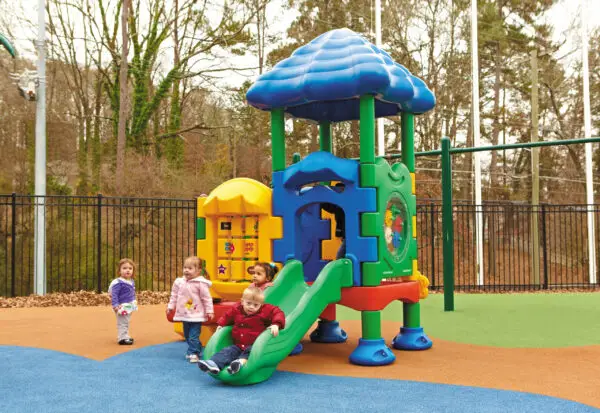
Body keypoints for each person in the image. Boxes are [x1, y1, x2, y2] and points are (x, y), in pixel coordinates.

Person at [197, 286, 285, 375]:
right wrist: (221, 324)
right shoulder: (237, 309)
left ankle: (239, 363)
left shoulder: (265, 310)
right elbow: (227, 316)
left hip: (255, 346)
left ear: (261, 305)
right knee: (227, 351)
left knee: (250, 353)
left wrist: (276, 324)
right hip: (238, 345)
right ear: (242, 301)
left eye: (255, 305)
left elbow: (278, 312)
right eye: (248, 303)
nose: (251, 307)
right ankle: (214, 363)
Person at [167, 256, 214, 363]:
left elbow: (206, 298)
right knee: (188, 336)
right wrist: (170, 306)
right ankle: (197, 349)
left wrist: (209, 310)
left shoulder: (201, 283)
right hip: (184, 314)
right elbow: (174, 295)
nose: (186, 270)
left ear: (198, 271)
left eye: (190, 268)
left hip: (196, 315)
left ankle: (193, 353)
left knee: (193, 336)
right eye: (185, 268)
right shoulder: (179, 282)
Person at [108, 258, 138, 345]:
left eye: (130, 268)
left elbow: (132, 293)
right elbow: (114, 295)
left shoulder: (131, 281)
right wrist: (115, 305)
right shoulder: (118, 282)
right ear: (119, 271)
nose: (127, 270)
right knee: (122, 322)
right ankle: (122, 338)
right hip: (121, 306)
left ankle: (126, 336)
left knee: (126, 321)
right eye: (124, 268)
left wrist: (134, 302)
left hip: (129, 305)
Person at [321, 183, 346, 259]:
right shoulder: (338, 205)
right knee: (342, 255)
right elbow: (329, 207)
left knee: (340, 256)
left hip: (348, 234)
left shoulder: (343, 204)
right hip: (345, 234)